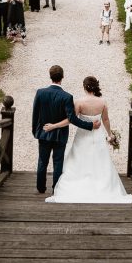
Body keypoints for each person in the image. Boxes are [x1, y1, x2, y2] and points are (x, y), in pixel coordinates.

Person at [44, 76, 132, 204]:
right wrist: (110, 135)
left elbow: (71, 120)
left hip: (82, 136)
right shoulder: (102, 102)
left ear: (84, 87)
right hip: (97, 136)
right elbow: (106, 120)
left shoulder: (79, 102)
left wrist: (54, 125)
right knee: (100, 160)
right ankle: (102, 186)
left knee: (78, 159)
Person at [31, 65, 100, 194]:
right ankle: (56, 189)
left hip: (44, 133)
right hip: (60, 135)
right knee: (58, 162)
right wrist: (90, 126)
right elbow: (72, 119)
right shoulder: (67, 97)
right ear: (62, 77)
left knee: (42, 161)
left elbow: (35, 114)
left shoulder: (40, 92)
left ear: (50, 76)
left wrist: (36, 131)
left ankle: (40, 188)